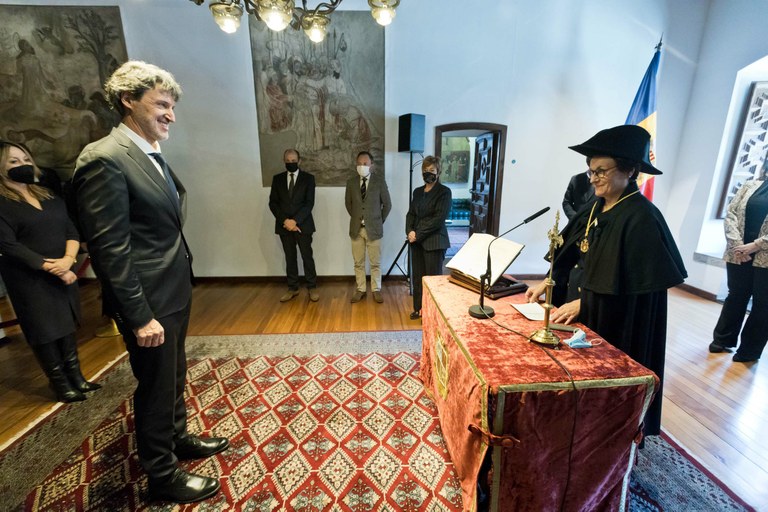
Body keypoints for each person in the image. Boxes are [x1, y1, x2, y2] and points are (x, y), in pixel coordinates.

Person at [73, 61, 228, 504]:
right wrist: (139, 316)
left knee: (174, 374)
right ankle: (162, 475)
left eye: (172, 106)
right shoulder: (104, 158)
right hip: (147, 300)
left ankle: (177, 438)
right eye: (161, 104)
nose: (171, 115)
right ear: (128, 100)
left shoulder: (147, 152)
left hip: (171, 289)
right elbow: (109, 250)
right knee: (156, 388)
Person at [525, 125, 687, 437]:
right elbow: (571, 250)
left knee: (601, 397)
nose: (593, 179)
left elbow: (634, 289)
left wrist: (586, 302)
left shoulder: (642, 217)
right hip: (580, 306)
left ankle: (603, 437)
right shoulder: (596, 206)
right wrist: (549, 281)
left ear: (630, 171)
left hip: (616, 322)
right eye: (591, 171)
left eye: (601, 171)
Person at [0, 140, 100, 403]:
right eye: (13, 161)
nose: (22, 165)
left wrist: (68, 260)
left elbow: (70, 230)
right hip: (30, 277)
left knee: (66, 324)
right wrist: (54, 268)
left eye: (25, 159)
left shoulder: (47, 194)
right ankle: (60, 383)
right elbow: (9, 245)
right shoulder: (2, 202)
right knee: (43, 330)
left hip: (63, 270)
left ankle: (77, 377)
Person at [709, 158, 768, 363]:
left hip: (764, 254)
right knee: (736, 295)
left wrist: (755, 245)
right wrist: (737, 244)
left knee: (763, 304)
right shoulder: (749, 185)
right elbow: (731, 214)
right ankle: (722, 340)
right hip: (739, 251)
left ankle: (749, 351)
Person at [269, 148, 319, 302]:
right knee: (290, 257)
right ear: (284, 161)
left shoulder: (308, 179)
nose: (291, 163)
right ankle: (293, 288)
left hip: (303, 225)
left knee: (307, 256)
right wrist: (285, 221)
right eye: (288, 161)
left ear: (299, 161)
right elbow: (273, 203)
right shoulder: (277, 179)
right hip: (284, 226)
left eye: (293, 160)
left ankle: (312, 287)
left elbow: (309, 203)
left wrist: (295, 221)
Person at [406, 155, 452, 320]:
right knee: (418, 278)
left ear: (438, 172)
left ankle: (432, 314)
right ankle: (419, 308)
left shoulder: (444, 192)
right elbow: (411, 214)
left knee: (433, 281)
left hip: (434, 241)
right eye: (425, 170)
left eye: (431, 170)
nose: (428, 173)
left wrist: (418, 234)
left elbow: (438, 219)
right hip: (416, 242)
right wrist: (409, 231)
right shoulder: (417, 192)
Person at [345, 151, 391, 303]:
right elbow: (348, 204)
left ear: (372, 165)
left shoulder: (379, 181)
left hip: (374, 229)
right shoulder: (351, 182)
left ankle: (376, 289)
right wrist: (358, 218)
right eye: (359, 163)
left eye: (365, 164)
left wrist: (378, 221)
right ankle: (361, 289)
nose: (362, 166)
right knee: (358, 262)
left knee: (375, 262)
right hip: (356, 229)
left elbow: (387, 204)